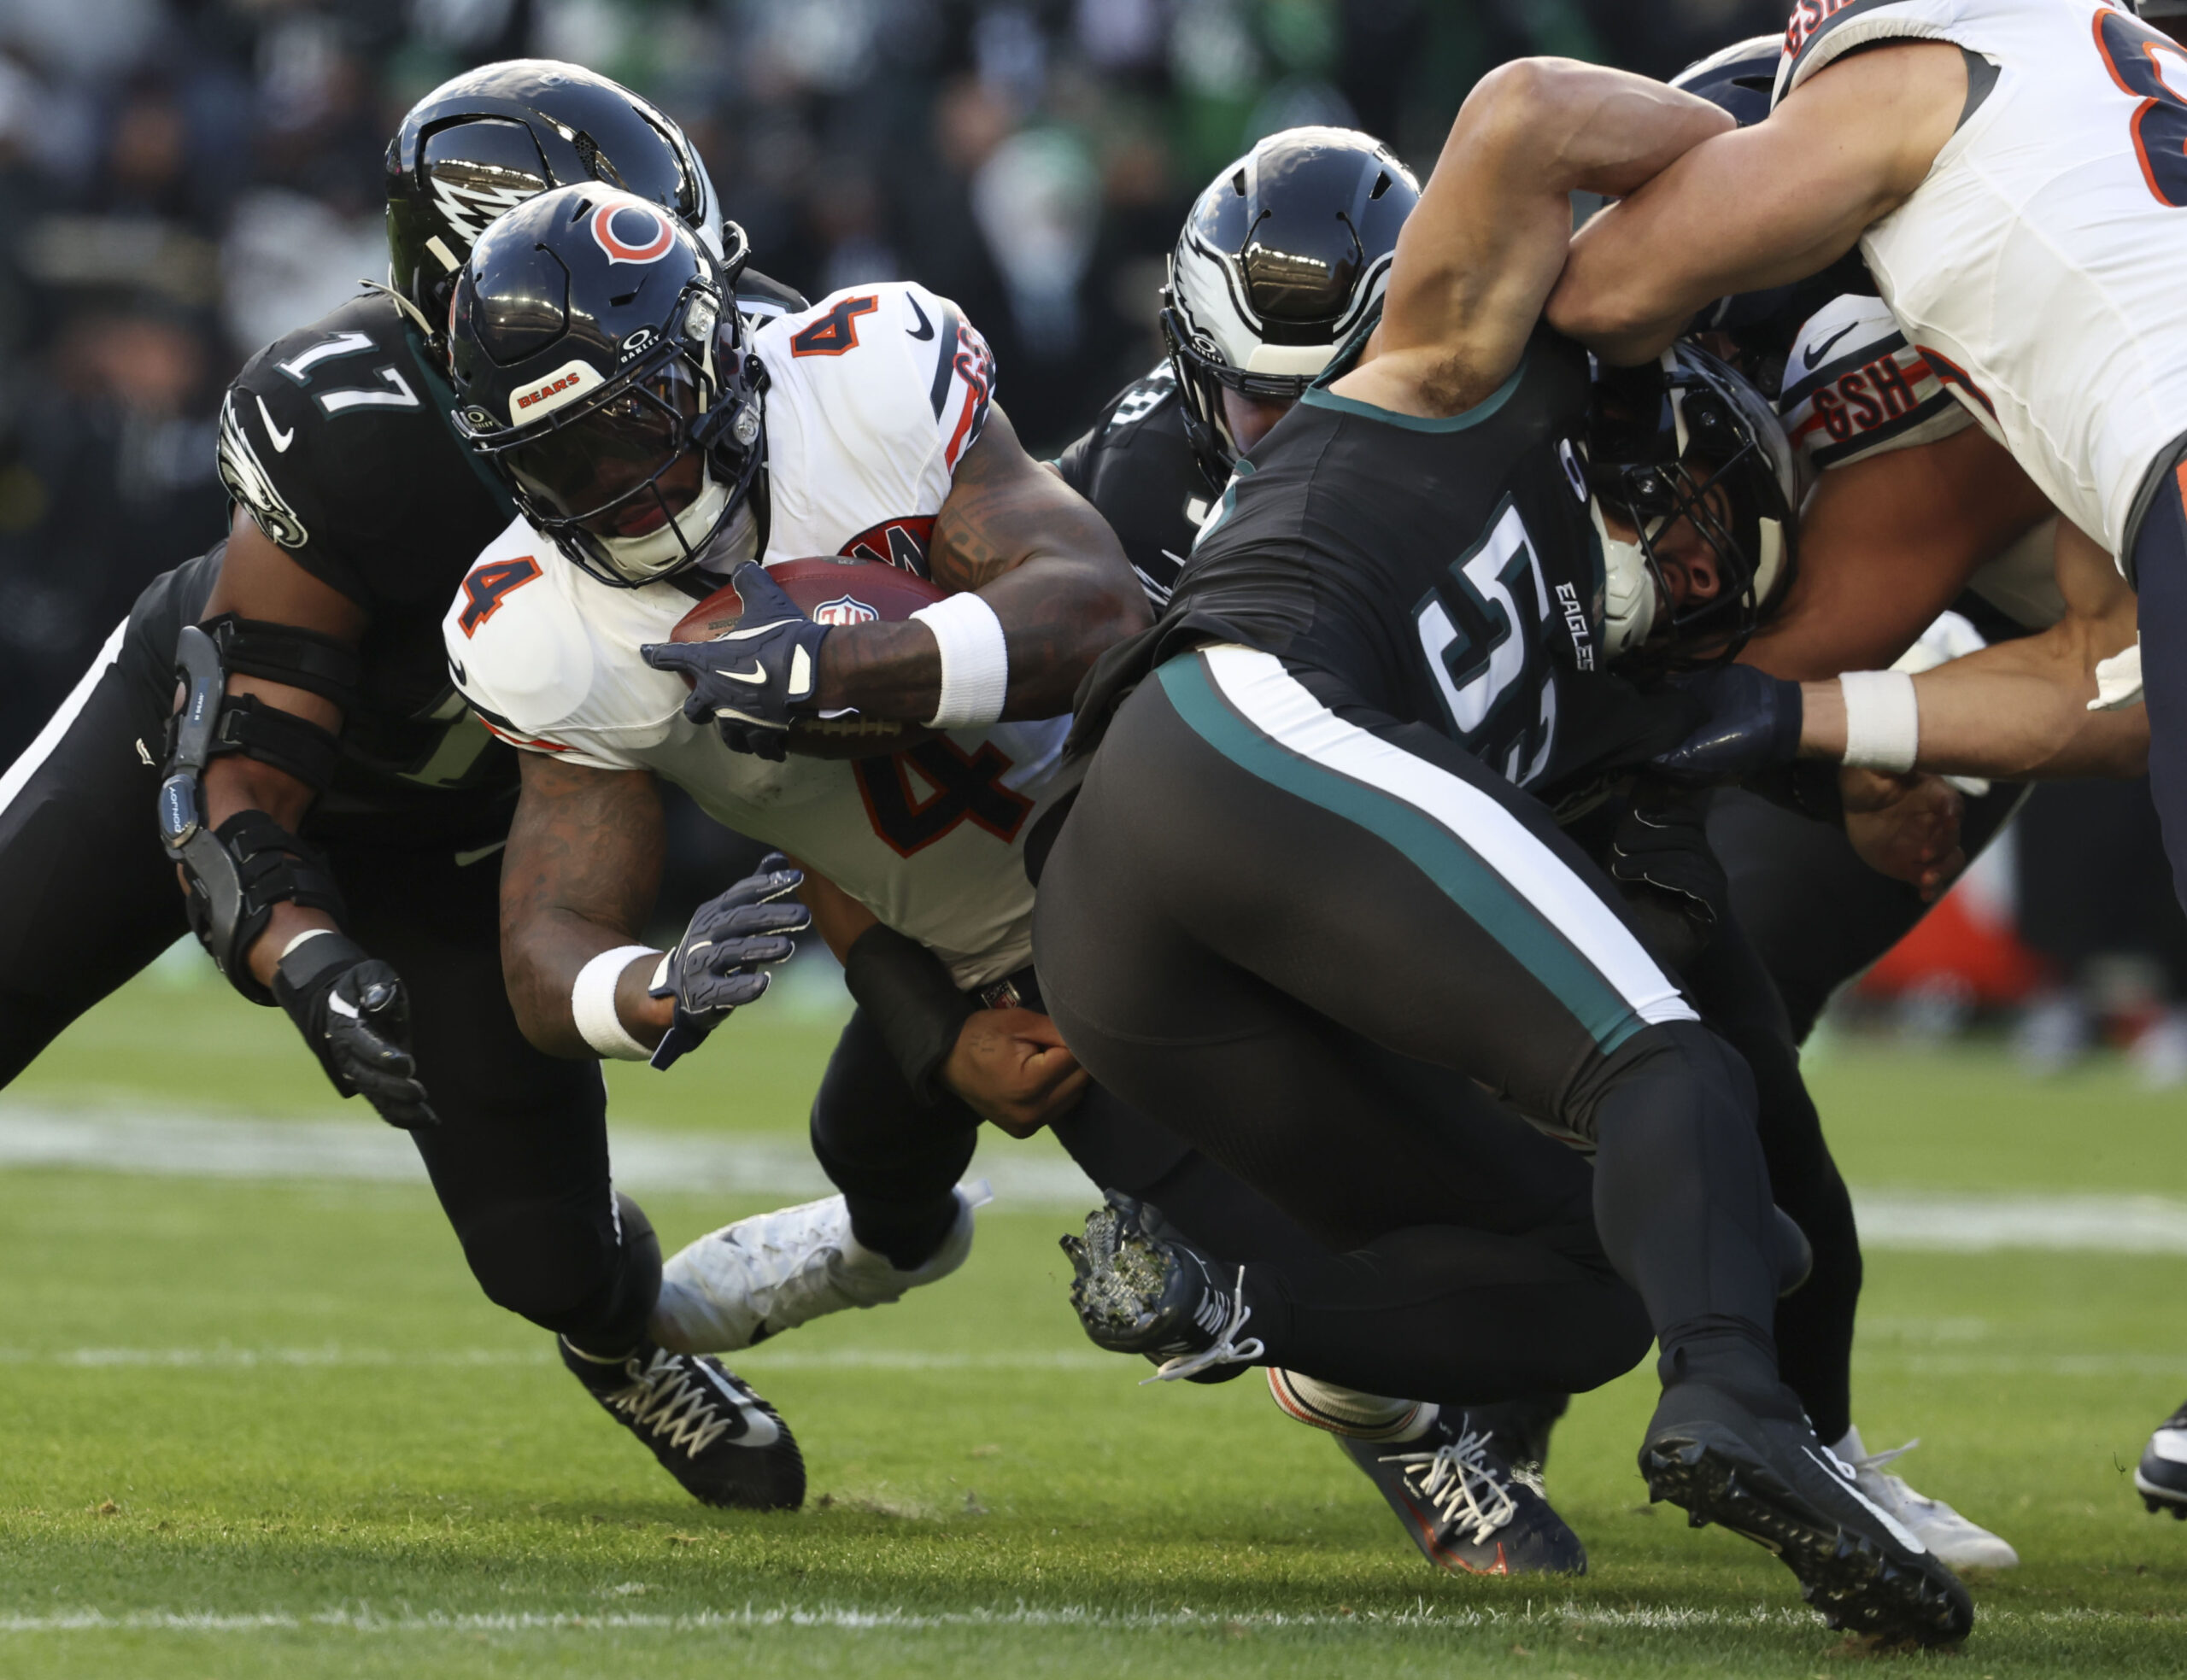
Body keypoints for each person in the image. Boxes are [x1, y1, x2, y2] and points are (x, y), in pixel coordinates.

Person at [1029, 56, 1974, 1643]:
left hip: (1146, 941)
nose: (1685, 564)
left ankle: (1226, 1306)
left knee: (1584, 1274)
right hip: (1235, 732)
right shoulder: (1470, 364)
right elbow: (1530, 110)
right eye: (1686, 523)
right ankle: (1734, 1404)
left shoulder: (1589, 687)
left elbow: (1664, 839)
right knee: (1669, 1075)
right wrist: (1777, 160)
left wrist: (1857, 770)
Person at [0, 61, 808, 1511]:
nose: (672, 351)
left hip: (475, 841)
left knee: (549, 1260)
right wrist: (309, 963)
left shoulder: (750, 374)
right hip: (221, 760)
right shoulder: (353, 422)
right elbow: (238, 779)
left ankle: (620, 1343)